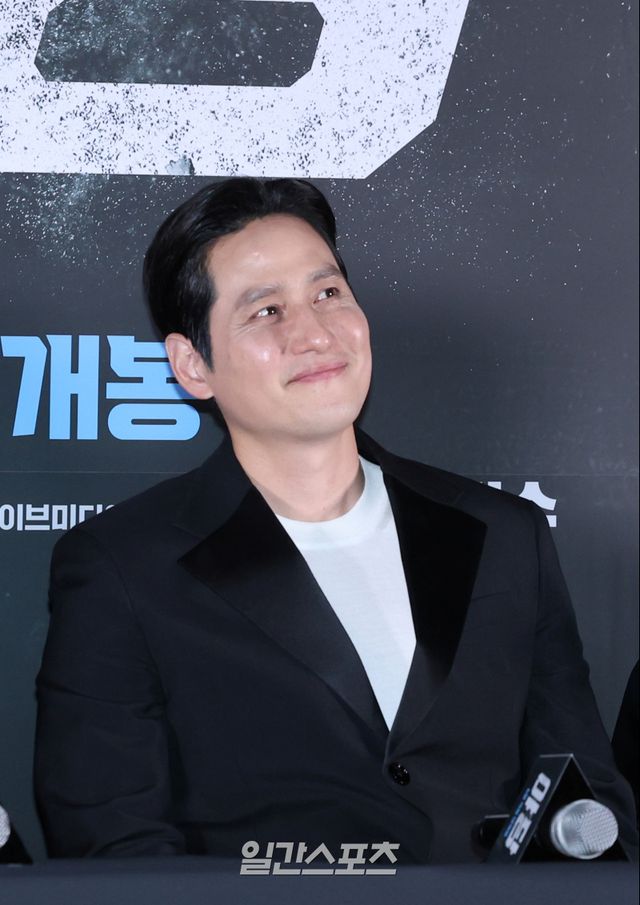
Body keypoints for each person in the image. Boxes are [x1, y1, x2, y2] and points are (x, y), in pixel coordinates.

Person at [34, 178, 638, 862]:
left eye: (327, 294)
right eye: (266, 311)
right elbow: (116, 845)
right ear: (192, 365)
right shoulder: (123, 567)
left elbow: (586, 804)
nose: (314, 333)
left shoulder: (505, 534)